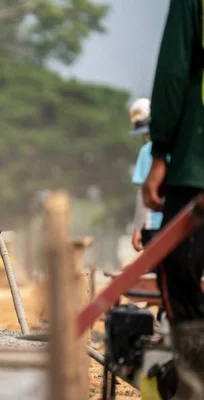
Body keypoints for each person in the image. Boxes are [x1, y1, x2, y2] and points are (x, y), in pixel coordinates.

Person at [143, 0, 204, 395]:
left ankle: (191, 385)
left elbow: (172, 73)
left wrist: (161, 152)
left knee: (178, 271)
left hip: (195, 163)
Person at [129, 98, 163, 252]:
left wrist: (137, 228)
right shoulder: (177, 149)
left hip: (152, 226)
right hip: (178, 224)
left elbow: (143, 194)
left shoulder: (146, 151)